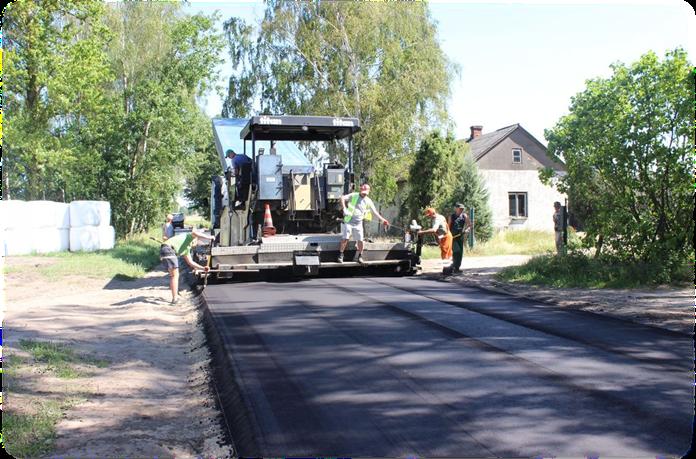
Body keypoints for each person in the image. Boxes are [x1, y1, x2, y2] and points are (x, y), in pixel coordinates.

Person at [338, 183, 389, 264]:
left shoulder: (368, 201)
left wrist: (383, 220)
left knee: (360, 240)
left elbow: (375, 212)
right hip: (349, 221)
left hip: (358, 223)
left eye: (366, 193)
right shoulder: (354, 195)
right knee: (346, 238)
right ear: (360, 190)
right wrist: (344, 209)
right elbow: (342, 198)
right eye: (363, 192)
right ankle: (341, 255)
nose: (364, 194)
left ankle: (360, 256)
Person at [160, 228, 214, 303]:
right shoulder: (188, 237)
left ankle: (175, 297)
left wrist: (203, 268)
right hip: (169, 250)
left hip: (165, 251)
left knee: (173, 275)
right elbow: (195, 232)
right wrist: (209, 237)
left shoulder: (187, 249)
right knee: (175, 275)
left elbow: (191, 262)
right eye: (197, 242)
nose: (197, 244)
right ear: (194, 240)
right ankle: (175, 298)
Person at [449, 203, 472, 273]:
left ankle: (457, 268)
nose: (461, 210)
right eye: (460, 209)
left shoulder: (464, 216)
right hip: (453, 237)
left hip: (460, 236)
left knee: (460, 252)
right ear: (456, 209)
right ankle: (452, 266)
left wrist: (467, 230)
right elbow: (448, 227)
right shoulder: (451, 217)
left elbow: (470, 225)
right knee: (456, 251)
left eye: (462, 209)